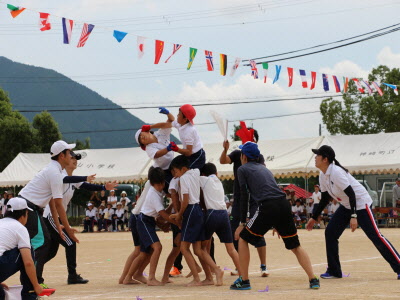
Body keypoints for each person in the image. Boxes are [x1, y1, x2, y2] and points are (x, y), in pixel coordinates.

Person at [230, 142, 320, 290]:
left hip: (267, 206)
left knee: (243, 238)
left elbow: (244, 196)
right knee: (295, 245)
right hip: (283, 205)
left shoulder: (242, 169)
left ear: (243, 156)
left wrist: (241, 223)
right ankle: (313, 278)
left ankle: (244, 281)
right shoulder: (265, 169)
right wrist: (277, 223)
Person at [306, 145, 400, 280]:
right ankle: (334, 270)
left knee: (375, 236)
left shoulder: (336, 172)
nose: (315, 158)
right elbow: (325, 198)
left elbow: (352, 194)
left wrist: (354, 216)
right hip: (347, 205)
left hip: (361, 203)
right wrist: (314, 217)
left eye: (317, 155)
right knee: (330, 232)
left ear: (325, 159)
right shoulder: (323, 175)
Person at [17, 140, 94, 289]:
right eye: (69, 153)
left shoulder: (55, 171)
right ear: (61, 156)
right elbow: (59, 205)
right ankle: (34, 283)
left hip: (29, 207)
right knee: (42, 243)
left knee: (42, 244)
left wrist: (60, 228)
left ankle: (33, 280)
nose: (71, 155)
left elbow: (52, 202)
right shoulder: (54, 172)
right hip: (26, 207)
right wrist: (67, 228)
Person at [39, 152, 118, 285]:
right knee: (70, 242)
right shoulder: (60, 175)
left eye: (76, 158)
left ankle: (32, 268)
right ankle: (72, 276)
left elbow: (87, 186)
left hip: (56, 217)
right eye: (72, 158)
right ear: (64, 160)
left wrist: (104, 187)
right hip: (51, 217)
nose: (75, 160)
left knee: (51, 251)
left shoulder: (73, 180)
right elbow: (65, 180)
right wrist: (85, 177)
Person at [219, 124, 268, 277]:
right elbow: (223, 161)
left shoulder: (258, 157)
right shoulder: (237, 153)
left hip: (254, 200)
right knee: (235, 231)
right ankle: (239, 265)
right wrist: (225, 149)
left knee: (257, 231)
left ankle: (263, 266)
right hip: (239, 199)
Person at [170, 155, 224, 286]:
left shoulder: (183, 179)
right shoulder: (195, 172)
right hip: (199, 210)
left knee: (184, 248)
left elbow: (185, 200)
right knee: (199, 249)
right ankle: (213, 274)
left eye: (175, 172)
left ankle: (197, 279)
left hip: (191, 211)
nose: (175, 175)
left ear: (183, 169)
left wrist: (179, 214)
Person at [200, 163, 241, 282]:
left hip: (212, 214)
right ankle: (242, 275)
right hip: (224, 214)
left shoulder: (205, 180)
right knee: (231, 248)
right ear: (216, 173)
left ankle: (214, 270)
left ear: (203, 174)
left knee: (202, 248)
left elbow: (191, 177)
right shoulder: (219, 182)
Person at [135, 167, 175, 286]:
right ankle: (151, 278)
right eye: (158, 184)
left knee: (148, 252)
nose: (161, 186)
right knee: (157, 247)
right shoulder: (153, 193)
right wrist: (175, 222)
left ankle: (137, 274)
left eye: (162, 183)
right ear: (152, 184)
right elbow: (162, 214)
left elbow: (160, 214)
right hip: (144, 221)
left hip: (149, 221)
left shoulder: (159, 191)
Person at [0, 198, 43, 299]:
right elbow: (28, 262)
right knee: (26, 250)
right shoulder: (20, 228)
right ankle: (29, 294)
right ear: (24, 214)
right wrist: (36, 285)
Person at [135, 107, 176, 192]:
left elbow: (170, 122)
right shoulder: (149, 148)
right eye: (141, 140)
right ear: (144, 144)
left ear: (147, 131)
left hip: (173, 164)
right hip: (164, 170)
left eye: (141, 135)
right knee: (172, 189)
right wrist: (167, 149)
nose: (142, 137)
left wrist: (168, 113)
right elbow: (157, 154)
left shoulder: (160, 133)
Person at [171, 104, 206, 170]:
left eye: (179, 114)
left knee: (185, 172)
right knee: (173, 166)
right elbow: (171, 120)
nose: (177, 115)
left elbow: (189, 152)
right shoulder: (181, 124)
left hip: (196, 156)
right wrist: (167, 113)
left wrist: (177, 149)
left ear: (185, 119)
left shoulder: (189, 130)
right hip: (188, 155)